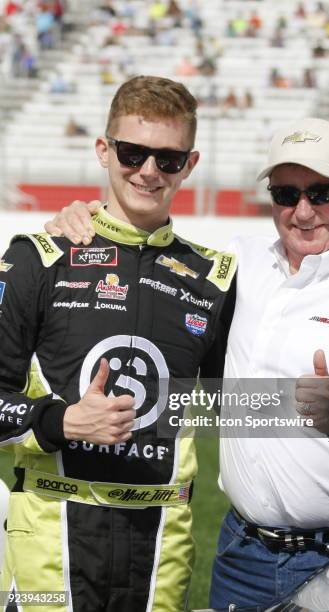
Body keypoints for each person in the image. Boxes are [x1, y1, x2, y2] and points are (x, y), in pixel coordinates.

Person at [44, 118, 329, 609]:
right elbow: (147, 249)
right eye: (285, 193)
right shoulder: (241, 261)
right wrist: (87, 215)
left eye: (322, 192)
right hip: (241, 553)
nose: (302, 212)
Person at [0, 75, 236, 612]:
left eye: (168, 159)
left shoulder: (213, 279)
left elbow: (240, 406)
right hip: (52, 544)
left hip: (160, 550)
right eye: (133, 153)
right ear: (104, 151)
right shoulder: (38, 259)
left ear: (190, 165)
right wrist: (58, 422)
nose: (149, 171)